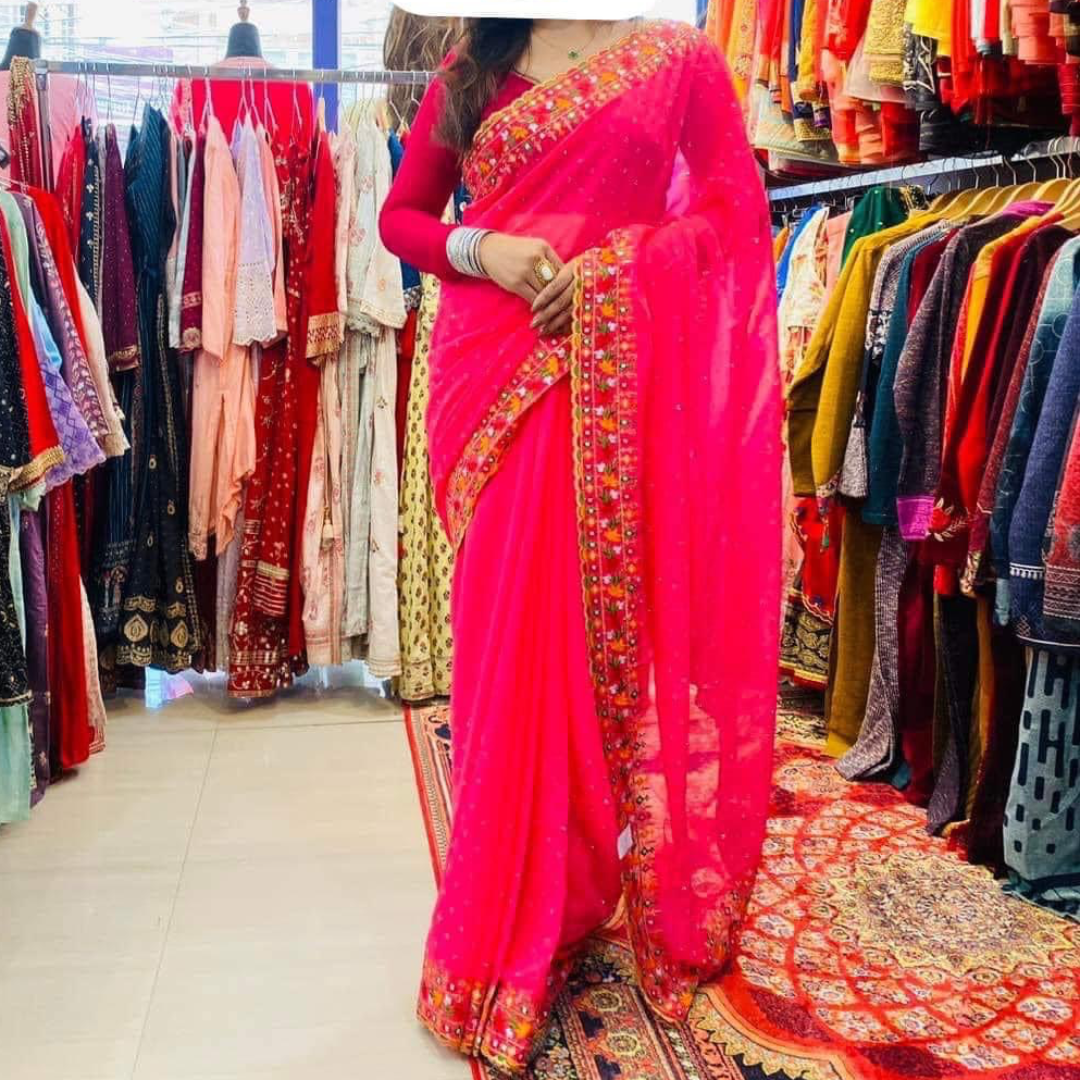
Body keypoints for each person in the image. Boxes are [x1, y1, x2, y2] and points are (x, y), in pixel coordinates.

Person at [380, 15, 781, 1073]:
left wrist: (617, 268)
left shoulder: (676, 60)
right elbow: (402, 219)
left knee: (596, 650)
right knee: (507, 653)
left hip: (613, 379)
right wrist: (483, 248)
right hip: (488, 374)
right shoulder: (474, 65)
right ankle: (497, 931)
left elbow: (732, 215)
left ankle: (574, 880)